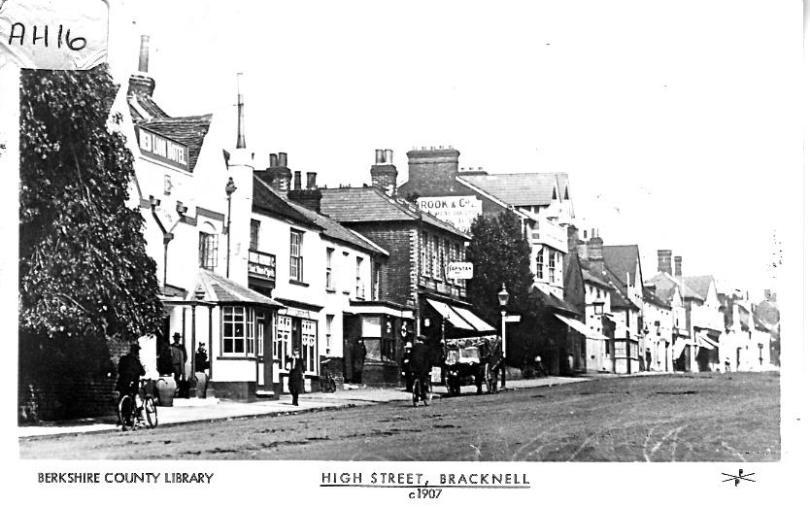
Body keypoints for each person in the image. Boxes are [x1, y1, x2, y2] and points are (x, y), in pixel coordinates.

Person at [116, 343, 145, 423]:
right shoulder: (136, 361)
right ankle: (129, 419)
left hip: (122, 383)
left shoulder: (123, 359)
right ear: (136, 352)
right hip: (132, 384)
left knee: (122, 398)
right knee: (133, 399)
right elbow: (142, 372)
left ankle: (120, 417)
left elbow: (119, 370)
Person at [409, 335, 433, 400]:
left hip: (413, 367)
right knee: (423, 380)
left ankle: (416, 395)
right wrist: (429, 368)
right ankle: (423, 394)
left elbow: (410, 357)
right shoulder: (426, 348)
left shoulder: (414, 347)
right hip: (423, 368)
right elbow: (429, 359)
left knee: (415, 378)